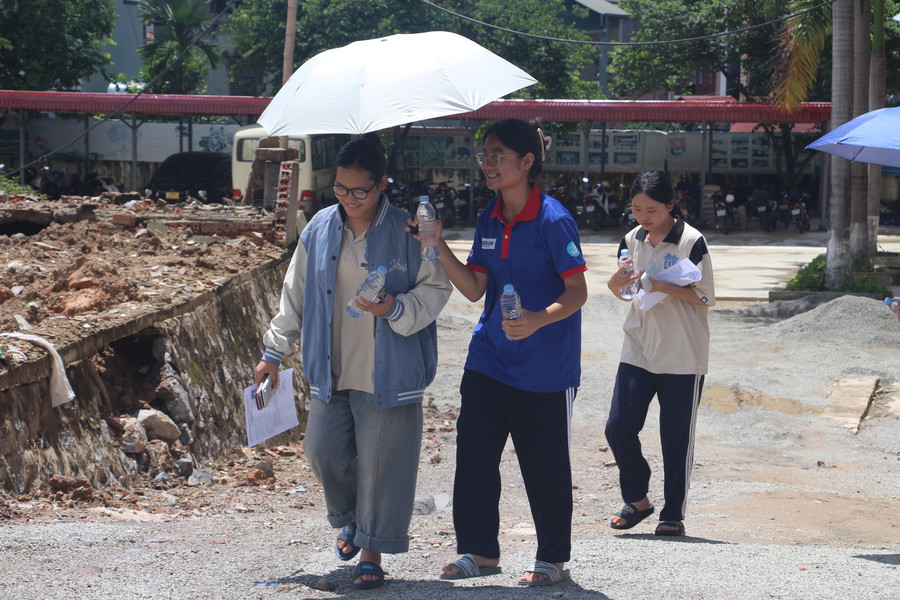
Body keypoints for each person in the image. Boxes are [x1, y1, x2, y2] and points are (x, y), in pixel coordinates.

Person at [254, 134, 452, 590]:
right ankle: (351, 520)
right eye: (340, 189)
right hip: (333, 367)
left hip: (390, 371)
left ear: (382, 183)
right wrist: (273, 351)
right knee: (321, 449)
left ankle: (371, 553)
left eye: (359, 191)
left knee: (381, 465)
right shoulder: (320, 227)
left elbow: (436, 287)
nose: (348, 199)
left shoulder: (407, 229)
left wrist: (395, 309)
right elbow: (295, 294)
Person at [415, 118, 587, 586]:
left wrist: (536, 319)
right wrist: (437, 245)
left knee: (543, 464)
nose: (487, 163)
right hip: (489, 357)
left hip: (545, 368)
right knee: (473, 454)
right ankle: (479, 551)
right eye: (483, 155)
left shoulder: (554, 218)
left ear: (527, 162)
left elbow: (577, 292)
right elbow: (474, 289)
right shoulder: (490, 215)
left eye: (497, 155)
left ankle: (552, 558)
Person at [605, 169, 715, 537]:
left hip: (683, 353)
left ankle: (672, 513)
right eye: (636, 208)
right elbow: (625, 291)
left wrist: (662, 284)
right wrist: (616, 283)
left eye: (651, 209)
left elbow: (705, 296)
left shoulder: (692, 241)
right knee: (618, 427)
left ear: (671, 205)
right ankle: (637, 498)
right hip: (638, 345)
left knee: (675, 438)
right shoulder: (631, 238)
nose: (643, 217)